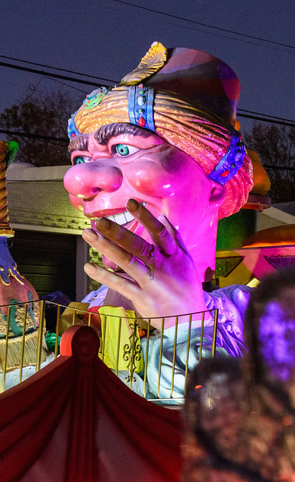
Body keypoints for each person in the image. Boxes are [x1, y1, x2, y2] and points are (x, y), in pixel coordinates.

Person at [62, 42, 254, 400]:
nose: (79, 180)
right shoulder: (88, 308)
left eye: (124, 149)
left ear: (215, 184)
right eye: (80, 157)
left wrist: (186, 322)